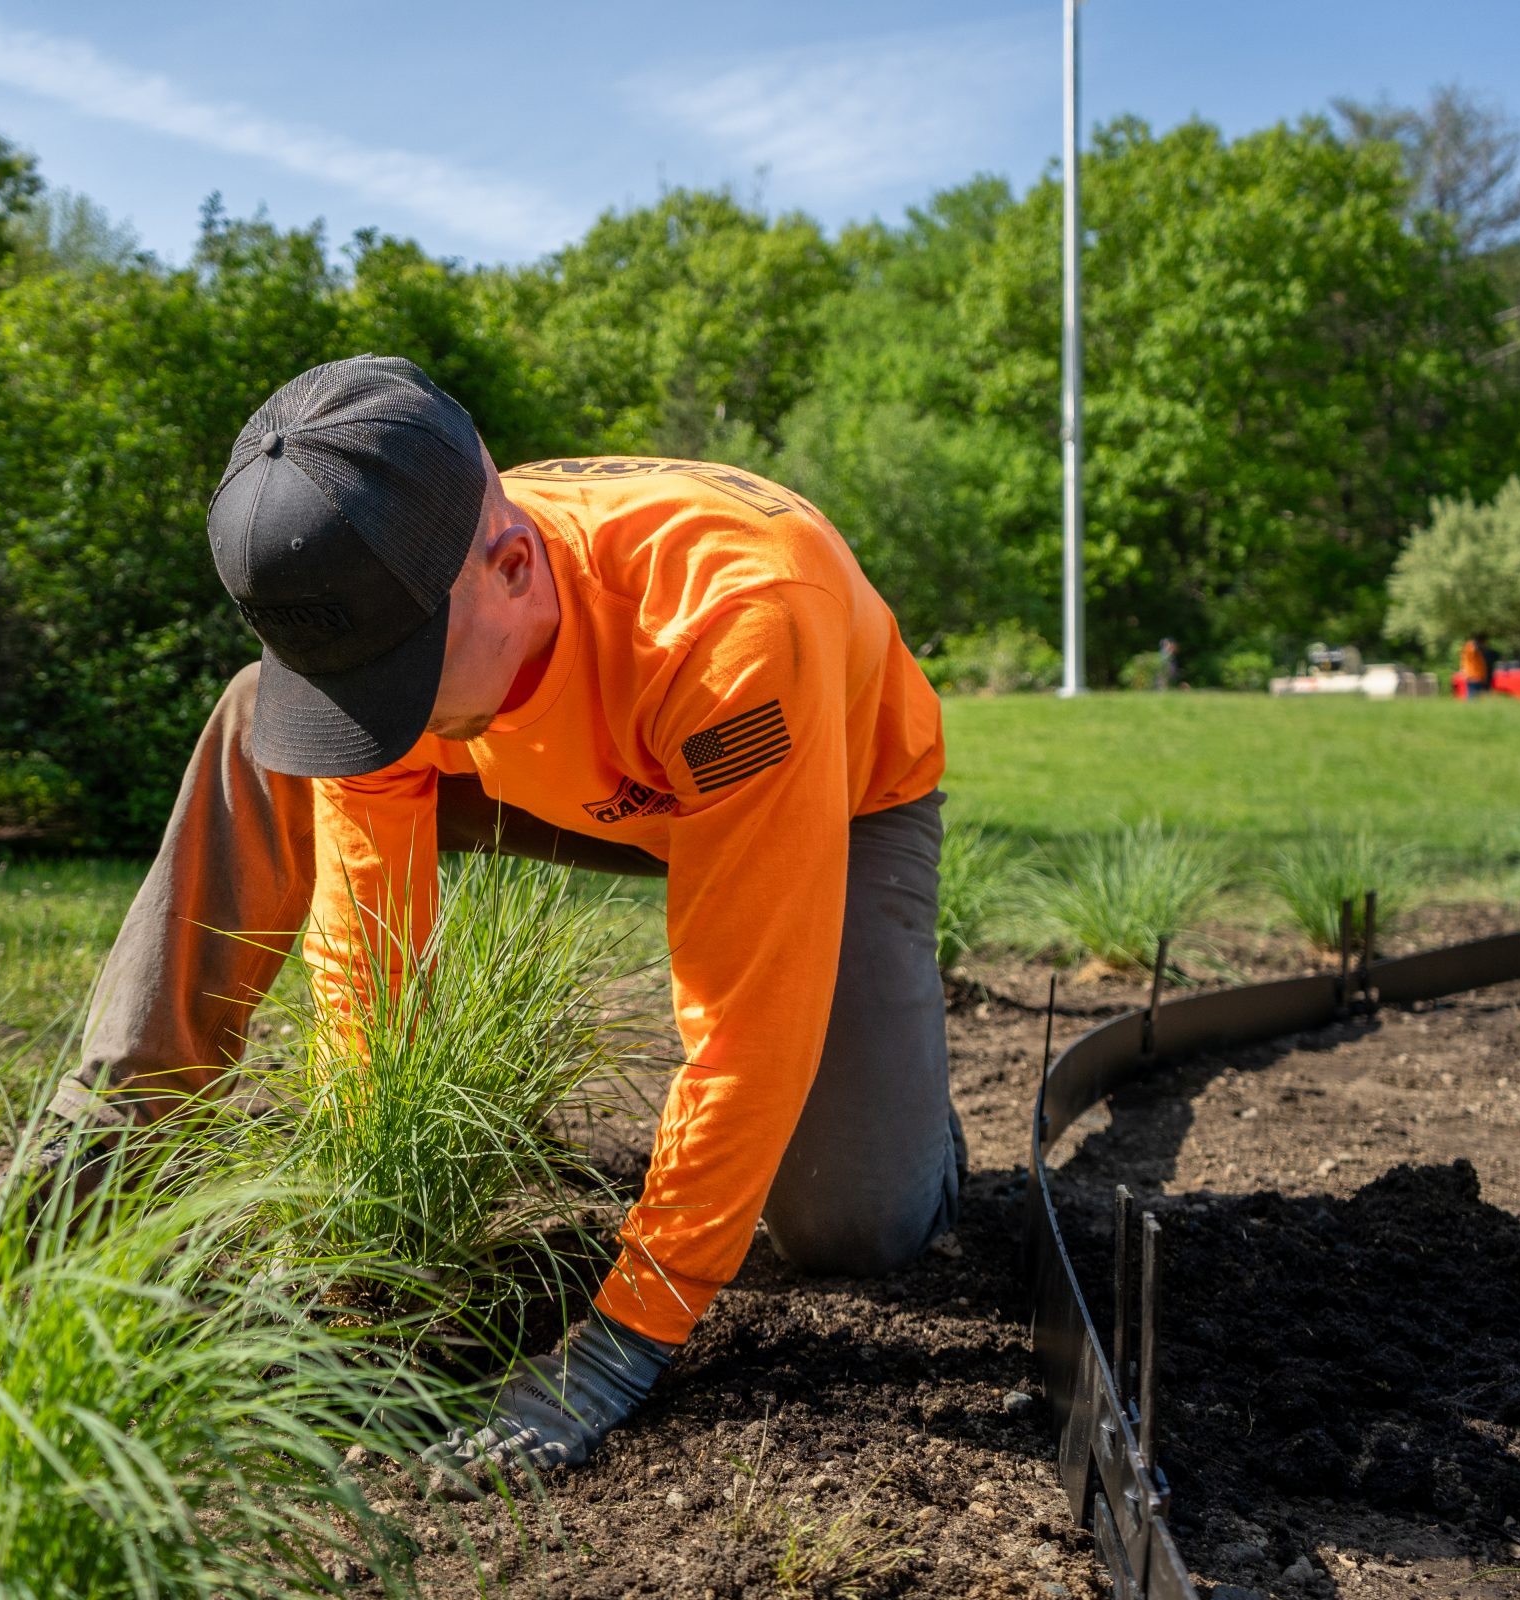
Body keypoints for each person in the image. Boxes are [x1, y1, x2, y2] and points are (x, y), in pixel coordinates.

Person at [50, 355, 961, 1486]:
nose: (375, 719)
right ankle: (95, 1145)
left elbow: (742, 1023)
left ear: (515, 565)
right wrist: (382, 1182)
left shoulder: (733, 627)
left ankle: (915, 1099)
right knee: (259, 724)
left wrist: (624, 1338)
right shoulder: (409, 584)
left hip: (824, 786)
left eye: (397, 680)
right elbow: (367, 946)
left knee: (852, 1224)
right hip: (549, 766)